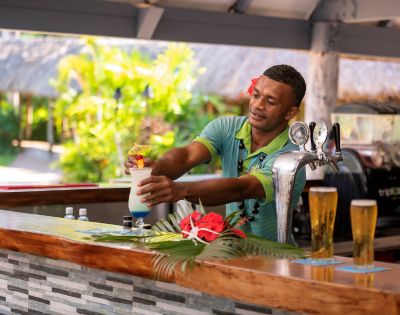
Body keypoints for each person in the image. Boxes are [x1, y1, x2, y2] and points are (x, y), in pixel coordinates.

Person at [125, 64, 306, 241]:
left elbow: (242, 188)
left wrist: (181, 190)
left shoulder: (289, 159)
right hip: (231, 253)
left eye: (270, 101)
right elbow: (187, 155)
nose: (258, 105)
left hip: (275, 259)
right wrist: (157, 166)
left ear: (290, 113)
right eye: (256, 95)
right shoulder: (227, 128)